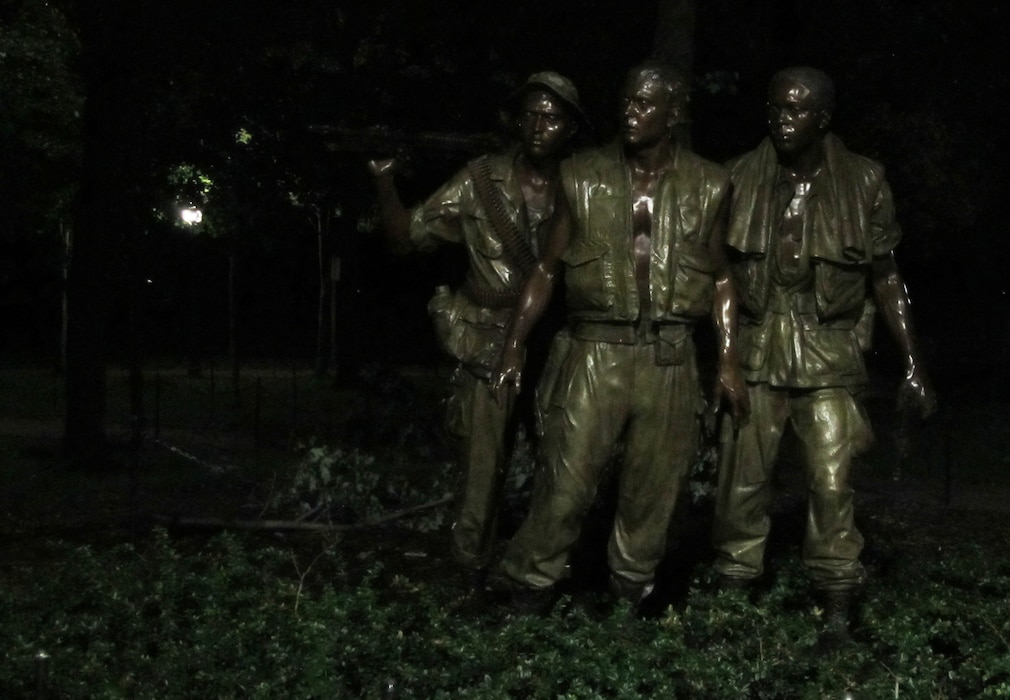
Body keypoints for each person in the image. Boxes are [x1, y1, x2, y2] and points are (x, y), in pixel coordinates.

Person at [491, 62, 750, 610]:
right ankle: (527, 596)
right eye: (626, 101)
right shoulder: (581, 174)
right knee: (563, 485)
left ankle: (629, 606)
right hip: (593, 350)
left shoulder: (711, 183)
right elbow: (547, 268)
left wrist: (728, 358)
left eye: (643, 104)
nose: (629, 113)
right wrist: (515, 341)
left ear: (673, 114)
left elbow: (722, 274)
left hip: (670, 356)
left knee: (652, 494)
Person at [711, 66, 937, 637]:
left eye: (795, 110)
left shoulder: (864, 182)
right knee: (742, 481)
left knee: (832, 483)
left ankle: (836, 599)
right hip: (759, 346)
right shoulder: (735, 178)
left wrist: (914, 362)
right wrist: (727, 359)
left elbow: (887, 280)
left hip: (829, 351)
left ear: (823, 118)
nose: (781, 119)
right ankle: (734, 596)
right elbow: (720, 280)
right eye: (775, 107)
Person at [368, 71, 587, 584]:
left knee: (566, 459)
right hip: (488, 338)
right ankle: (468, 570)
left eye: (552, 117)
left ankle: (542, 566)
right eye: (530, 114)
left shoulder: (586, 184)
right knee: (482, 468)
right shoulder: (479, 181)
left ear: (571, 129)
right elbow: (406, 239)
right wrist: (383, 180)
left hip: (559, 338)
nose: (538, 126)